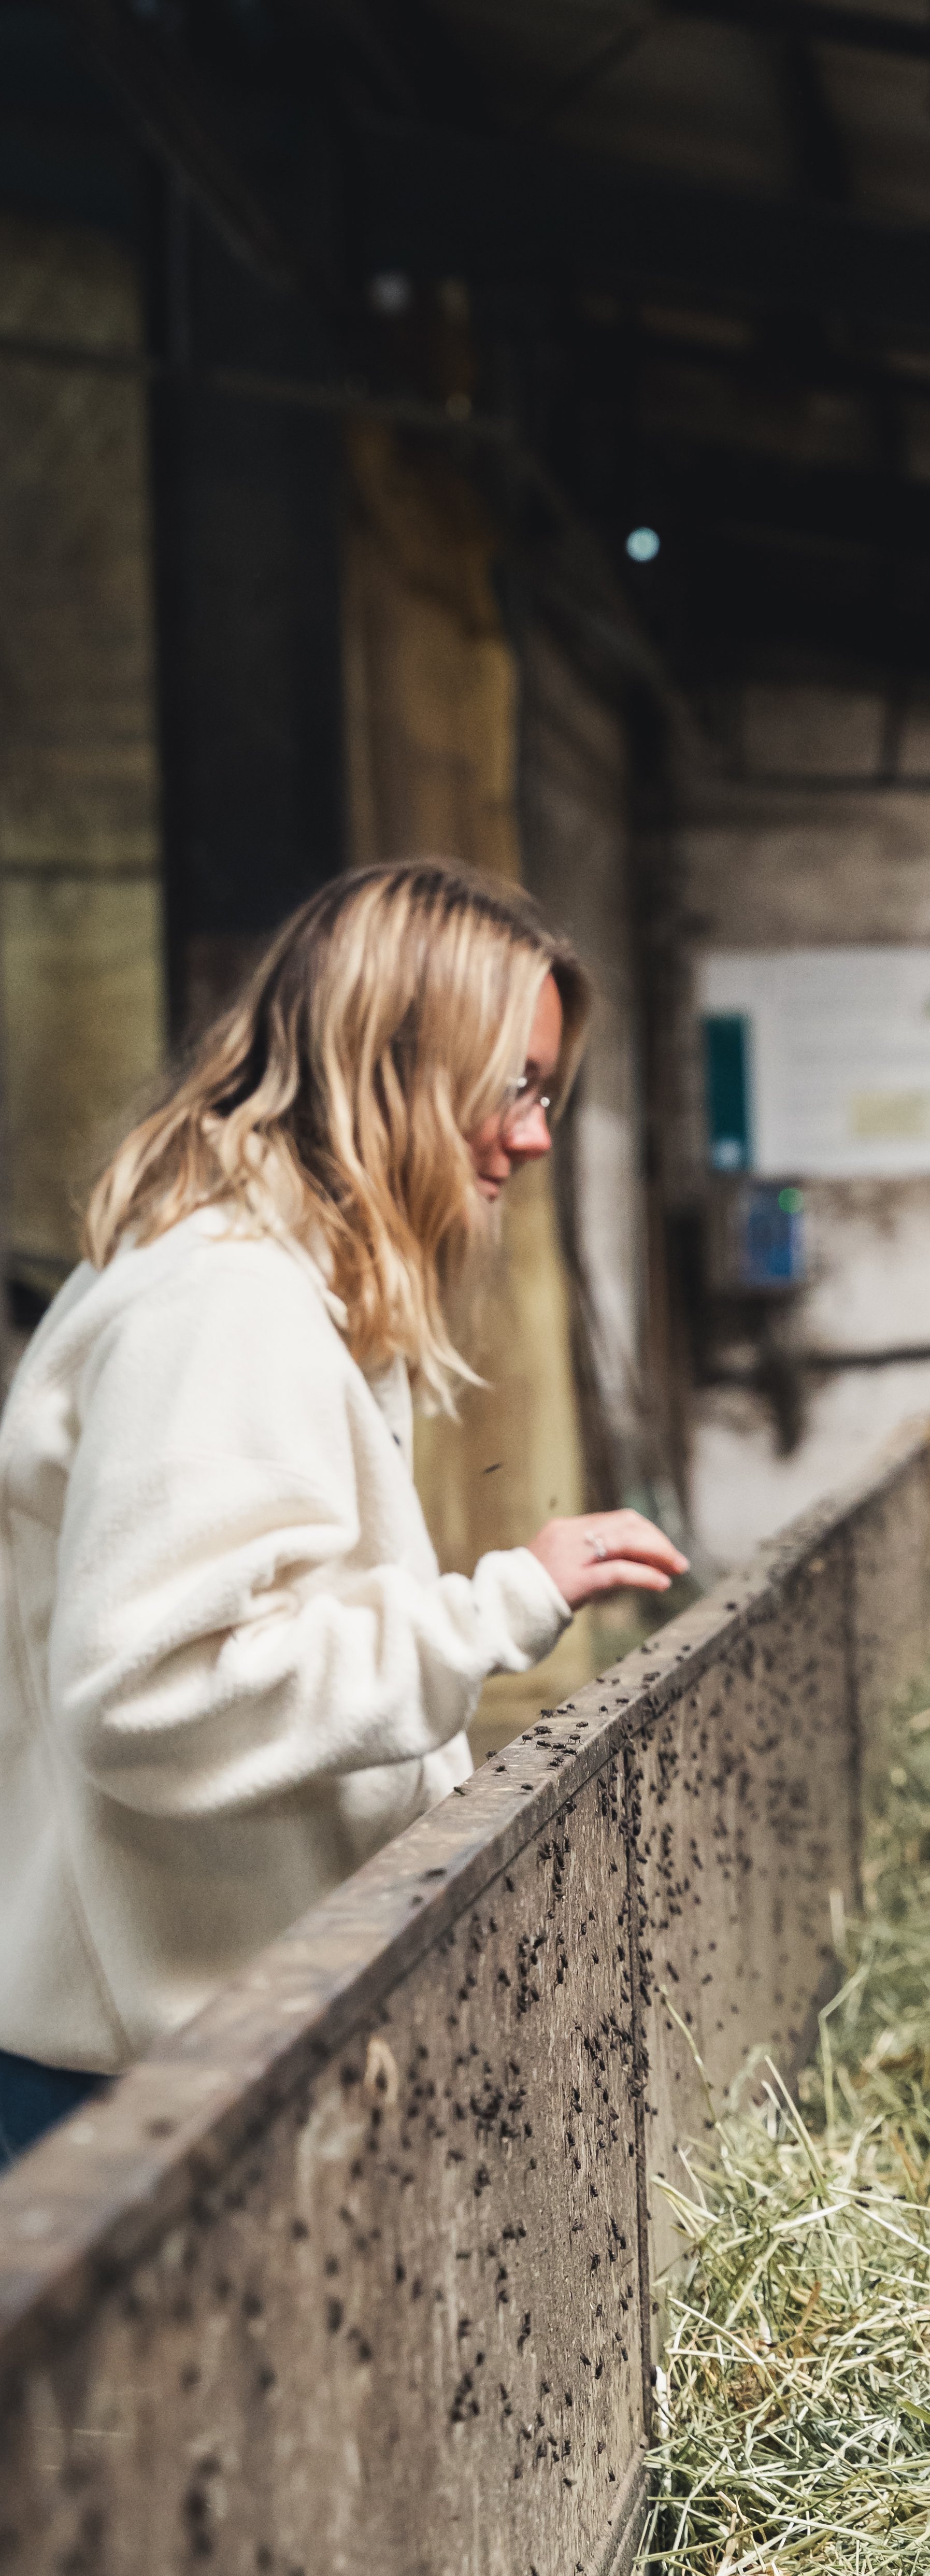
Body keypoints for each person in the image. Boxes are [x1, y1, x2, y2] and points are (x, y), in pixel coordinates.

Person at [0, 858, 687, 2169]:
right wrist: (496, 1610)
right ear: (398, 1066)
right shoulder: (224, 1304)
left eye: (546, 1093)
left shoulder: (278, 1280)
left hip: (190, 2032)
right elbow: (150, 1692)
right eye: (516, 1085)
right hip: (129, 2090)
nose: (535, 1136)